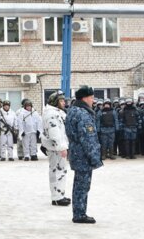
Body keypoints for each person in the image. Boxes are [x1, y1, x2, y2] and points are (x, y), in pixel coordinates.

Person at [65, 86, 103, 224]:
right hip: (83, 155)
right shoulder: (83, 114)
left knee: (78, 185)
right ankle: (80, 214)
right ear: (85, 98)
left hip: (76, 152)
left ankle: (78, 212)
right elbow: (88, 138)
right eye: (91, 97)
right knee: (82, 186)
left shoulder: (73, 111)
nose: (93, 100)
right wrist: (94, 157)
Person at [42, 92, 70, 206]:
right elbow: (55, 133)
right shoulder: (51, 114)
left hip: (58, 147)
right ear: (55, 102)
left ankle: (60, 194)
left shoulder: (57, 112)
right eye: (61, 101)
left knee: (61, 171)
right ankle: (57, 197)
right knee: (56, 171)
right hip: (56, 148)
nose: (64, 103)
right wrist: (61, 147)